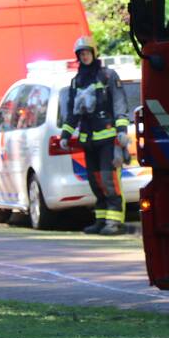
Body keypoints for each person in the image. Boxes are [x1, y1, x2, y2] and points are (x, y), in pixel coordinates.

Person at [60, 35, 130, 236]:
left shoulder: (107, 76)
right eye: (81, 54)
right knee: (95, 181)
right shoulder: (76, 82)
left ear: (94, 53)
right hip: (88, 139)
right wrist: (66, 134)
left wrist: (122, 131)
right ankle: (101, 220)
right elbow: (72, 112)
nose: (84, 56)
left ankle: (114, 222)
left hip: (108, 139)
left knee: (109, 180)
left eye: (87, 53)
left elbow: (119, 104)